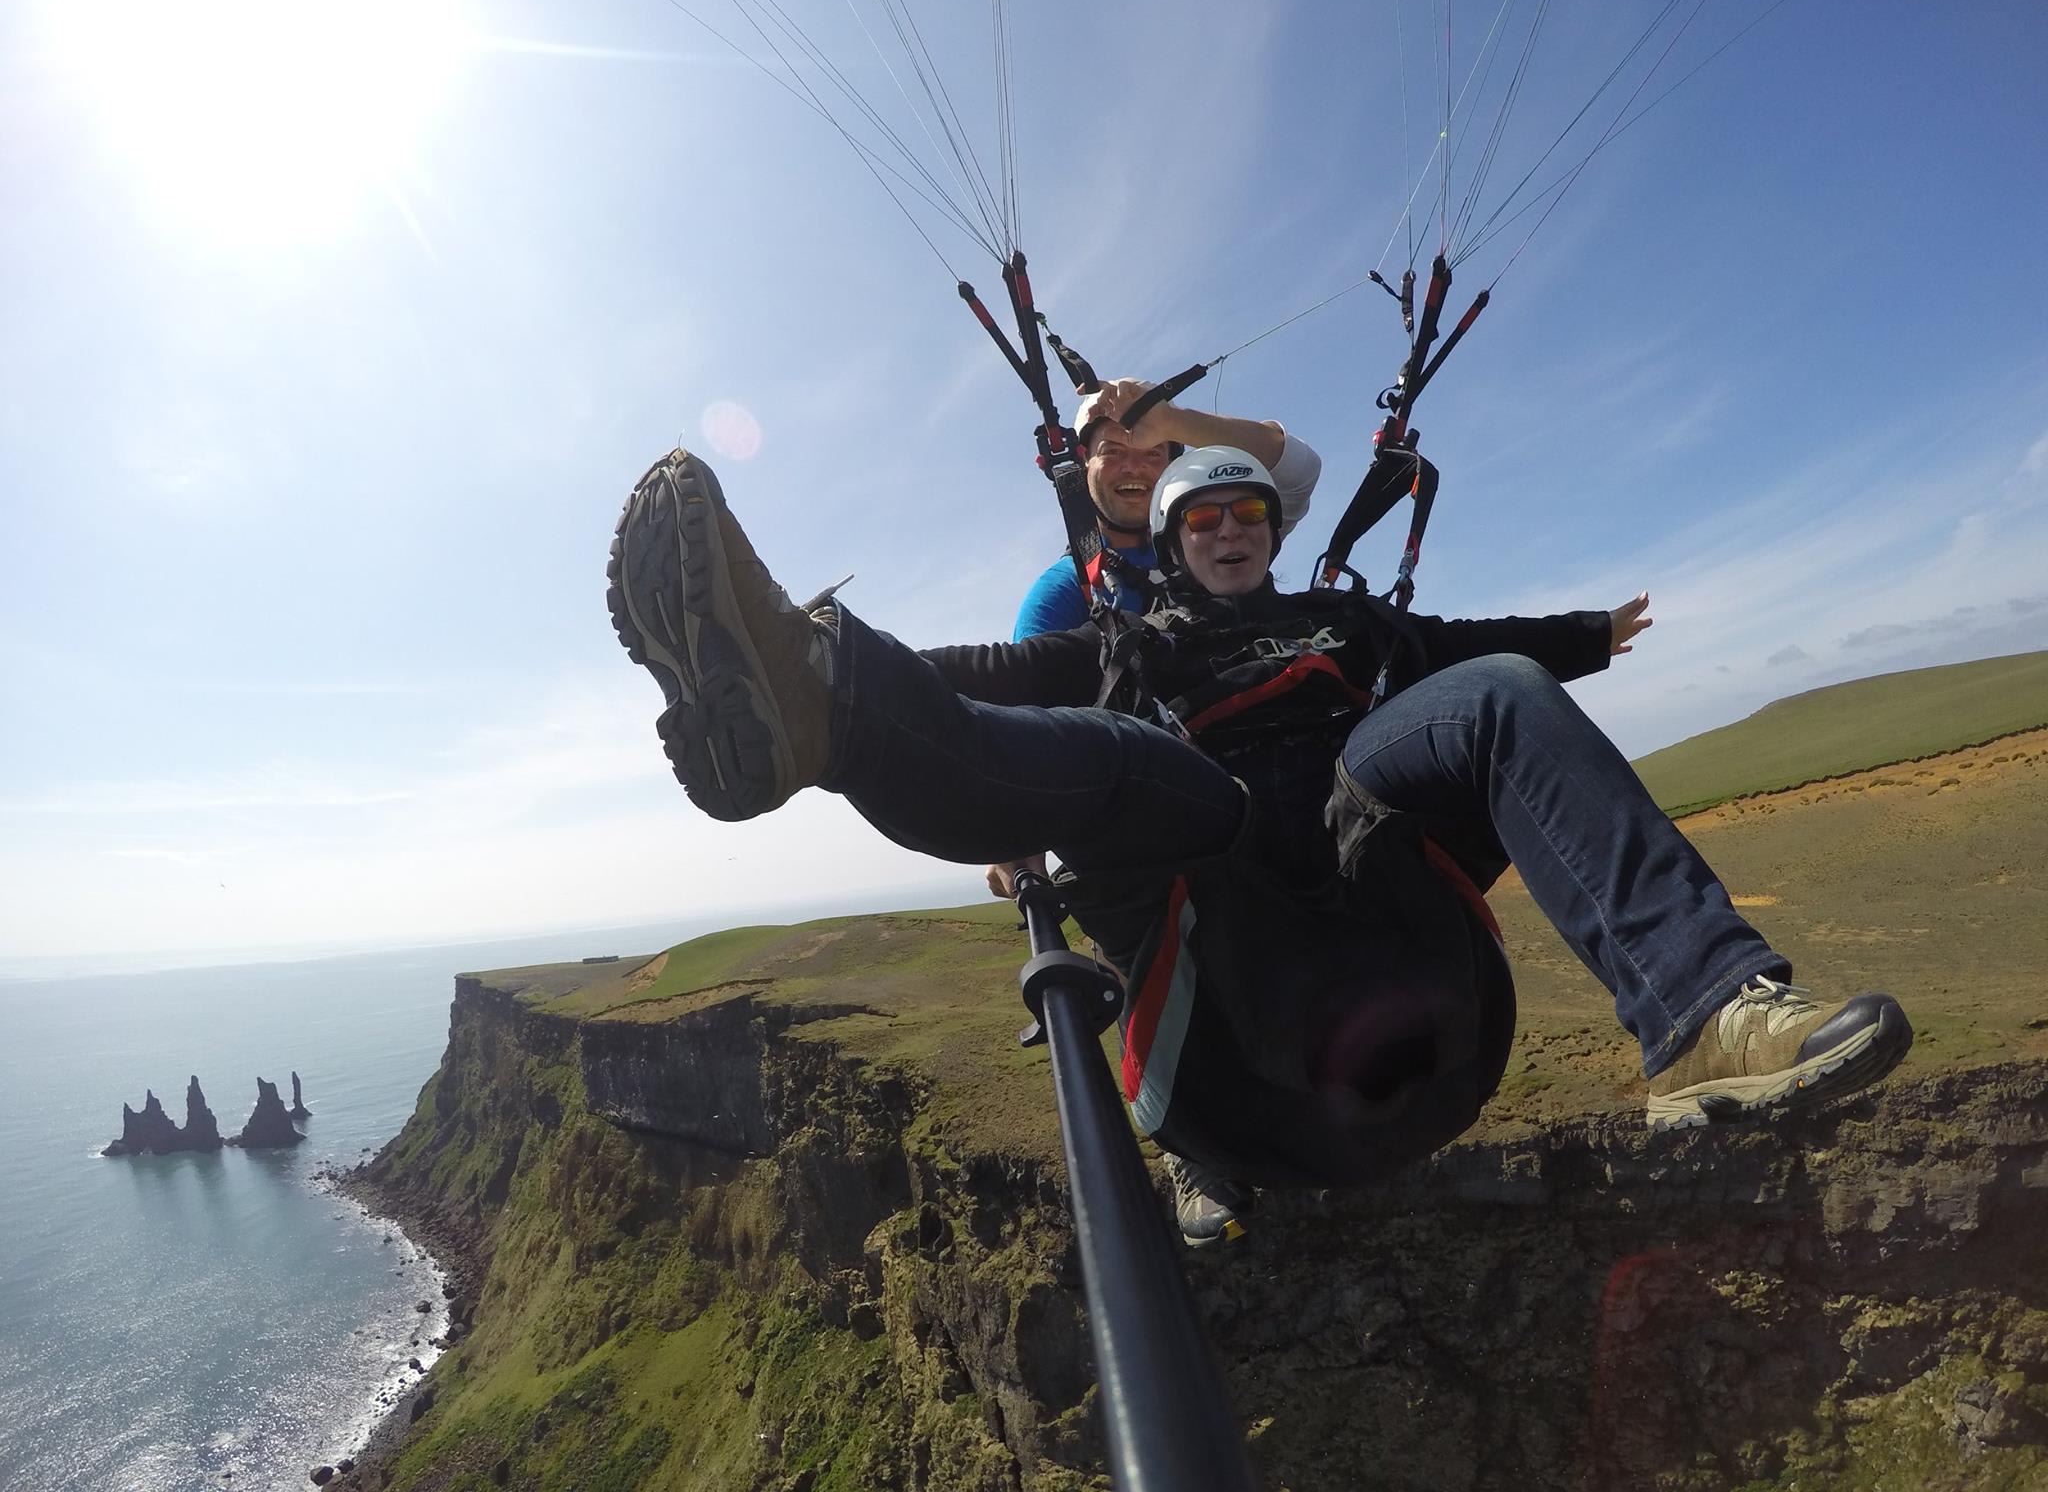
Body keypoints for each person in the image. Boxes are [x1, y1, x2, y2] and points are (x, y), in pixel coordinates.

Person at [607, 446, 1914, 1247]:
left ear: (1270, 534)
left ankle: (1705, 1018)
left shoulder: (1355, 631)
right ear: (1172, 545)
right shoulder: (1122, 644)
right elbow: (983, 677)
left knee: (1507, 686)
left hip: (1382, 905)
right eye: (1202, 520)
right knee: (1129, 761)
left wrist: (1580, 634)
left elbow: (1468, 651)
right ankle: (808, 701)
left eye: (1246, 515)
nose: (1228, 529)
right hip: (1218, 933)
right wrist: (825, 658)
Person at [1010, 378, 1322, 641]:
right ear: (1083, 463)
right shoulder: (1062, 594)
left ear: (1174, 468)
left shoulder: (1217, 533)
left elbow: (1300, 470)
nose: (1134, 467)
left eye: (1153, 453)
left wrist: (1174, 423)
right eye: (1112, 452)